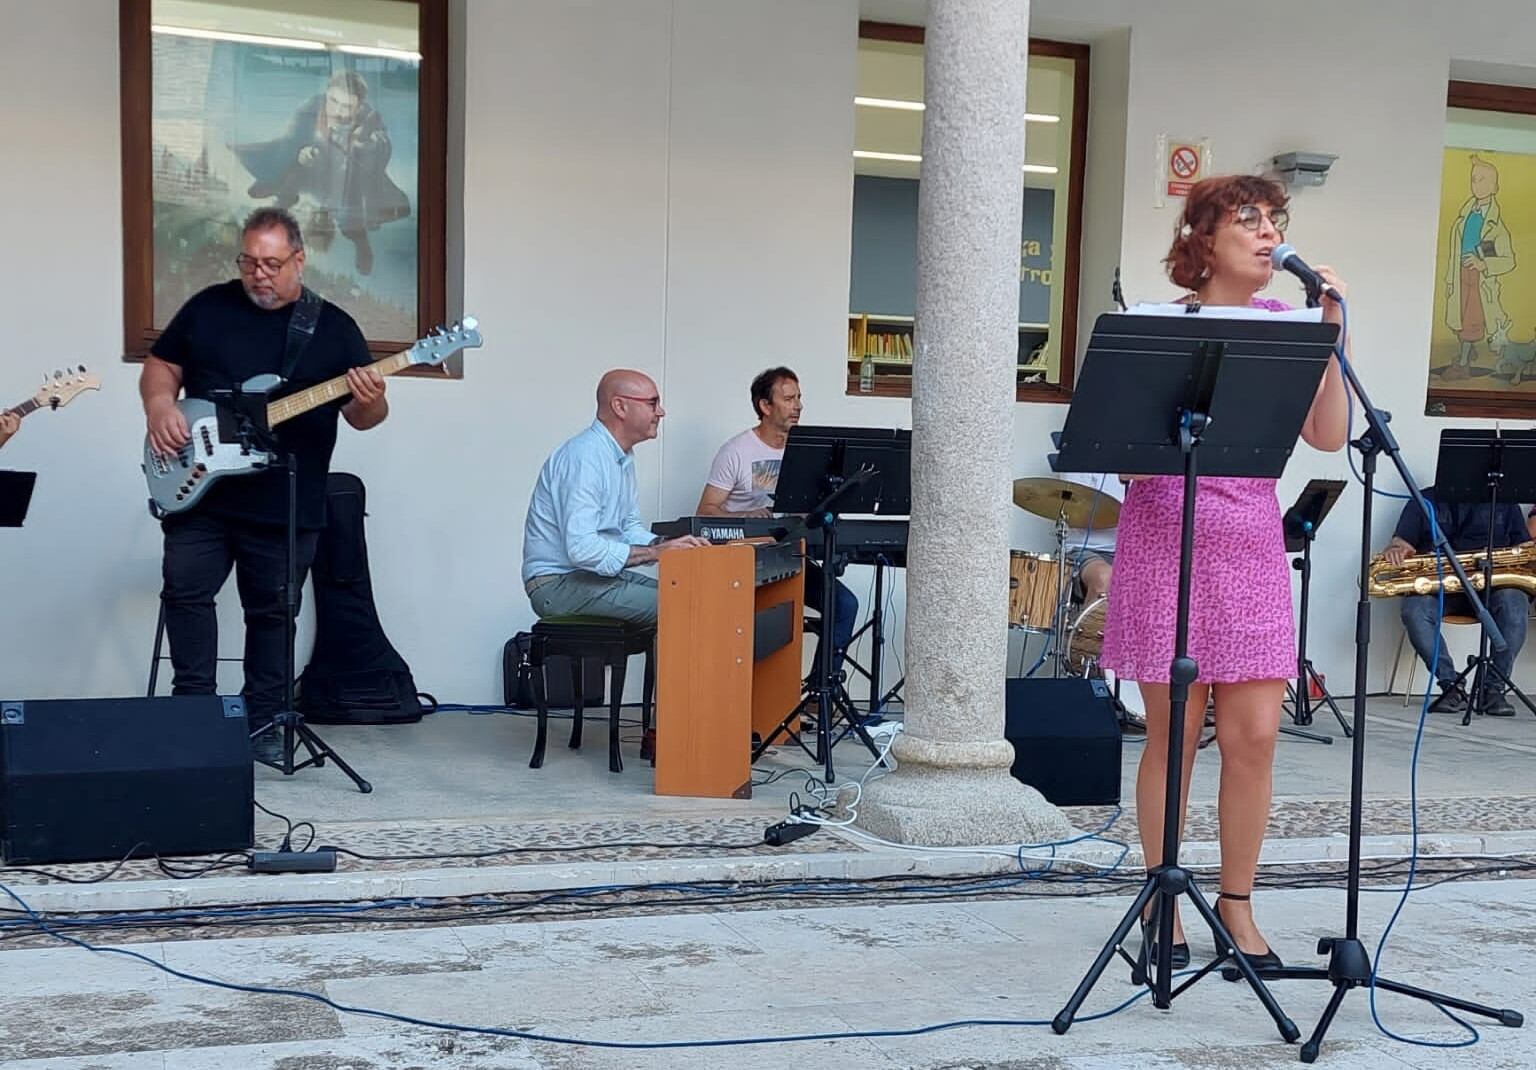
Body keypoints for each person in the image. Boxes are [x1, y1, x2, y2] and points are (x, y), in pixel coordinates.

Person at [1099, 174, 1350, 970]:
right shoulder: (1154, 325)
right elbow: (1116, 446)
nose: (1270, 232)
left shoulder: (1289, 323)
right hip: (1166, 537)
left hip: (1248, 541)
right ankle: (1163, 907)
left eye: (1277, 219)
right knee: (1175, 733)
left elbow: (1328, 435)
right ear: (1202, 237)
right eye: (1249, 219)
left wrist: (1331, 330)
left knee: (1256, 737)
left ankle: (1237, 907)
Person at [142, 207, 388, 763]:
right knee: (186, 594)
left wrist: (371, 400)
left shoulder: (333, 327)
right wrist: (160, 406)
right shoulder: (209, 307)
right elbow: (161, 365)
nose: (259, 274)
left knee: (274, 613)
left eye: (272, 264)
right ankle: (194, 715)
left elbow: (363, 419)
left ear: (299, 260)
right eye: (249, 262)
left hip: (286, 502)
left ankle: (266, 724)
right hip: (199, 491)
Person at [696, 367, 859, 686]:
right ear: (764, 406)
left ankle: (820, 690)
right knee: (766, 621)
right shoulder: (736, 451)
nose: (797, 405)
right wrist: (747, 518)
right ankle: (743, 693)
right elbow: (705, 511)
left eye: (799, 397)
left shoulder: (811, 451)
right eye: (788, 398)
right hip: (745, 561)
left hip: (790, 556)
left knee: (844, 604)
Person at [522, 370, 709, 625]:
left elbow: (627, 528)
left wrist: (669, 544)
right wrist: (655, 552)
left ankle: (666, 667)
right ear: (620, 406)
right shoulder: (584, 457)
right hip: (557, 583)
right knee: (686, 606)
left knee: (696, 595)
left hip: (589, 576)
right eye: (652, 403)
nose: (661, 412)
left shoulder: (620, 456)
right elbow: (582, 549)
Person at [234, 71, 410, 275]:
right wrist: (300, 153)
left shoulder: (368, 118)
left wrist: (365, 145)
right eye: (334, 101)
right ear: (327, 94)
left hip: (348, 178)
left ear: (358, 106)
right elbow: (291, 139)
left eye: (347, 107)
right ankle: (280, 201)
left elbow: (382, 148)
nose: (337, 111)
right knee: (289, 179)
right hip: (312, 170)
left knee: (351, 213)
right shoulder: (309, 109)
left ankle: (361, 244)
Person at [1381, 489, 1530, 715]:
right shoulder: (1424, 500)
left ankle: (1493, 689)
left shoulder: (1505, 502)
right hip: (1440, 589)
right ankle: (1451, 686)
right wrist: (1397, 548)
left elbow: (1525, 550)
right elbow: (1401, 541)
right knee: (1414, 611)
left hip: (1492, 587)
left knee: (1515, 603)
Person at [1055, 470, 1121, 603]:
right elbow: (1076, 511)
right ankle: (1088, 624)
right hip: (1082, 549)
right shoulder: (1079, 456)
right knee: (1103, 577)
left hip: (1130, 550)